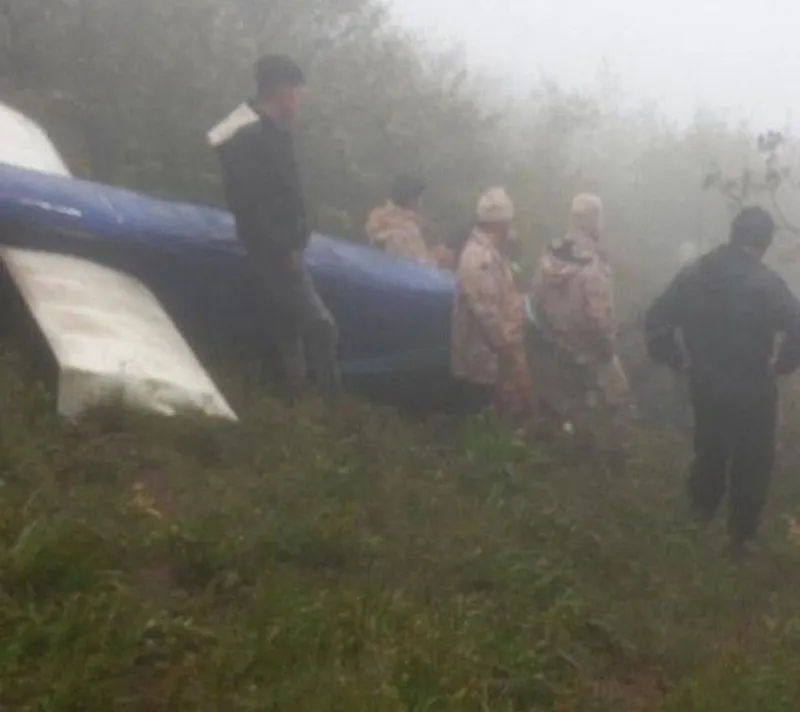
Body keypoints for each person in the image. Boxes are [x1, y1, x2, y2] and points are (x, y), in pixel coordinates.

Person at [645, 206, 800, 560]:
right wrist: (782, 365)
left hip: (705, 383)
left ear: (733, 234)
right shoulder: (767, 283)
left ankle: (697, 522)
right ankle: (741, 540)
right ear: (765, 242)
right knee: (752, 461)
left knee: (709, 450)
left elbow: (657, 319)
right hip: (753, 387)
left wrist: (676, 359)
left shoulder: (696, 273)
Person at [208, 55, 340, 400]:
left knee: (286, 331)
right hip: (274, 251)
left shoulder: (272, 133)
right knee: (319, 326)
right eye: (295, 92)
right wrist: (283, 247)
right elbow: (249, 202)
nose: (298, 101)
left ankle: (296, 404)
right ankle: (327, 403)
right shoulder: (250, 138)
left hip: (281, 247)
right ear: (282, 91)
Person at [530, 194, 636, 433]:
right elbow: (598, 318)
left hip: (554, 349)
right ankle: (613, 446)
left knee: (566, 411)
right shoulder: (593, 264)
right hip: (589, 353)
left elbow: (535, 301)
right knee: (619, 406)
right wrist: (608, 346)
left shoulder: (549, 256)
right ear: (593, 220)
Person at [451, 187, 536, 422]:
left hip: (493, 364)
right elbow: (487, 314)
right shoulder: (479, 259)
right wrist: (510, 354)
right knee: (484, 424)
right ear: (501, 224)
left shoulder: (493, 254)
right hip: (481, 366)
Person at [366, 175, 438, 267]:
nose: (420, 204)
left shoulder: (377, 216)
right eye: (419, 199)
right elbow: (422, 265)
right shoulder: (409, 228)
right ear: (411, 200)